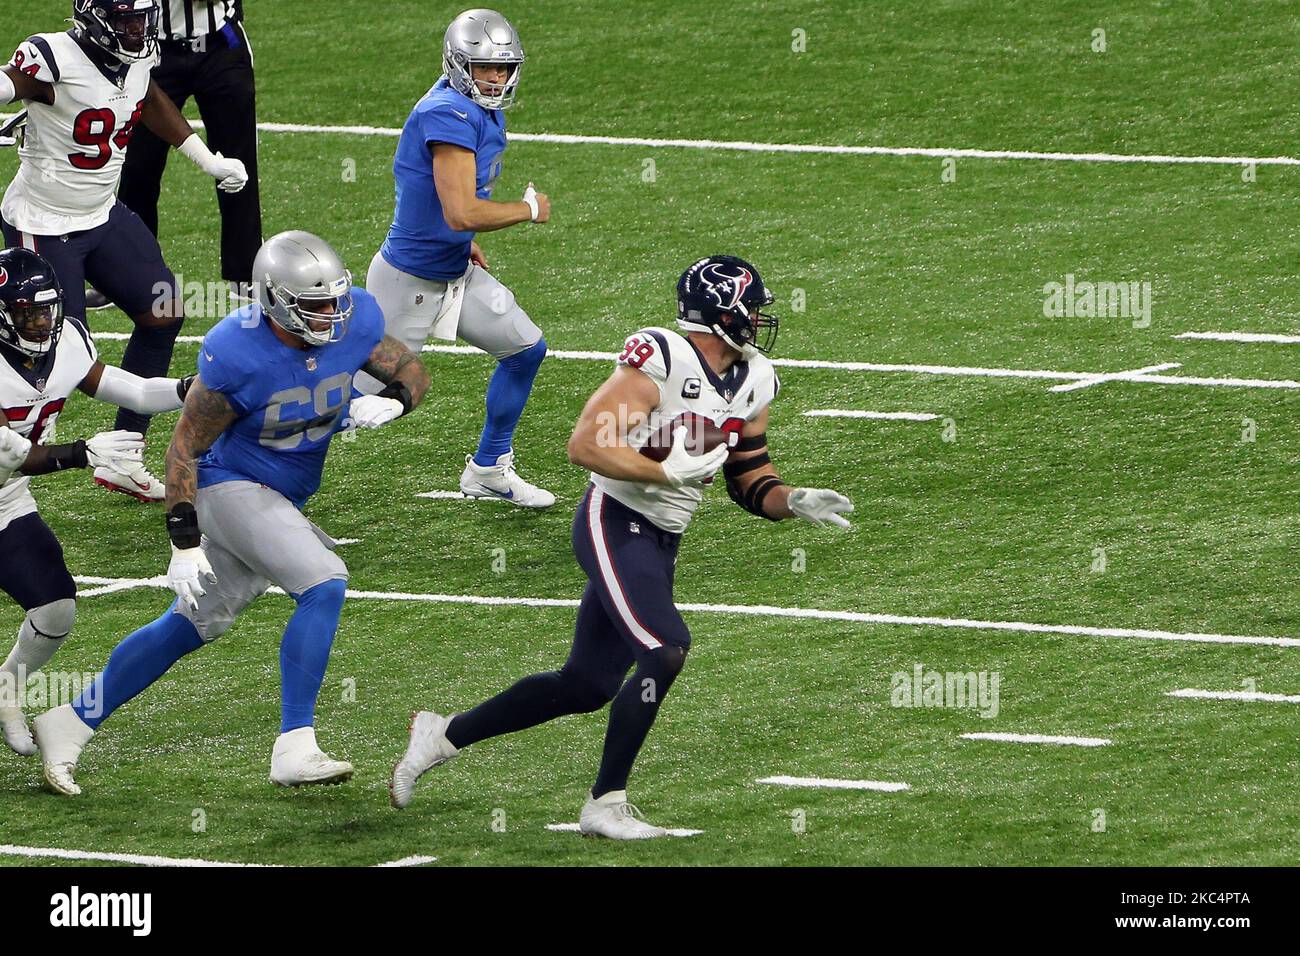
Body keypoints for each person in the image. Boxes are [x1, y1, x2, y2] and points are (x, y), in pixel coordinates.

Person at [390, 255, 854, 838]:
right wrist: (664, 475)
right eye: (751, 309)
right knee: (664, 649)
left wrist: (792, 499)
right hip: (616, 519)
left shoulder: (755, 379)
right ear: (722, 312)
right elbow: (585, 444)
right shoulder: (662, 358)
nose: (759, 321)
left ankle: (444, 733)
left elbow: (751, 478)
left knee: (585, 685)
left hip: (664, 538)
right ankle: (605, 804)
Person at [31, 231, 431, 795]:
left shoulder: (356, 317)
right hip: (229, 486)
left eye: (336, 300)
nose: (331, 316)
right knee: (323, 582)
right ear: (274, 300)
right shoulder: (236, 350)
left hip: (281, 493)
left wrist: (394, 399)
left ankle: (70, 721)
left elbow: (411, 369)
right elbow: (183, 449)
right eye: (314, 305)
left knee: (193, 623)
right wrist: (184, 540)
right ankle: (295, 744)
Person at [0, 0, 249, 501]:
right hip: (44, 224)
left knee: (164, 312)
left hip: (101, 213)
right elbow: (9, 82)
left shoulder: (136, 56)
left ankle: (125, 454)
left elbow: (149, 98)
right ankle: (13, 485)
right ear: (94, 21)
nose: (138, 29)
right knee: (49, 360)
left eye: (143, 17)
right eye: (126, 20)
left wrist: (208, 160)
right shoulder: (52, 55)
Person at [0, 246, 193, 755]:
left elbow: (130, 390)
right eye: (28, 313)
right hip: (10, 473)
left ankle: (7, 689)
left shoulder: (66, 344)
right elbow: (13, 452)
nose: (42, 322)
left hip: (5, 502)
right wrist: (83, 453)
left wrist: (187, 389)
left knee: (56, 608)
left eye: (47, 309)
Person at [359, 8, 554, 508]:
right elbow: (462, 208)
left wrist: (458, 240)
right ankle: (254, 478)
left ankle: (489, 468)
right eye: (486, 68)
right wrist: (528, 209)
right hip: (407, 283)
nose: (497, 78)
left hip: (451, 270)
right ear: (459, 64)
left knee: (525, 350)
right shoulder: (448, 113)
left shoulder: (475, 108)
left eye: (504, 68)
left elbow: (431, 193)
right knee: (346, 403)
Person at [117, 0, 261, 300]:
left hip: (220, 41)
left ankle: (245, 273)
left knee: (238, 162)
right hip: (154, 48)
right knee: (138, 166)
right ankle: (128, 273)